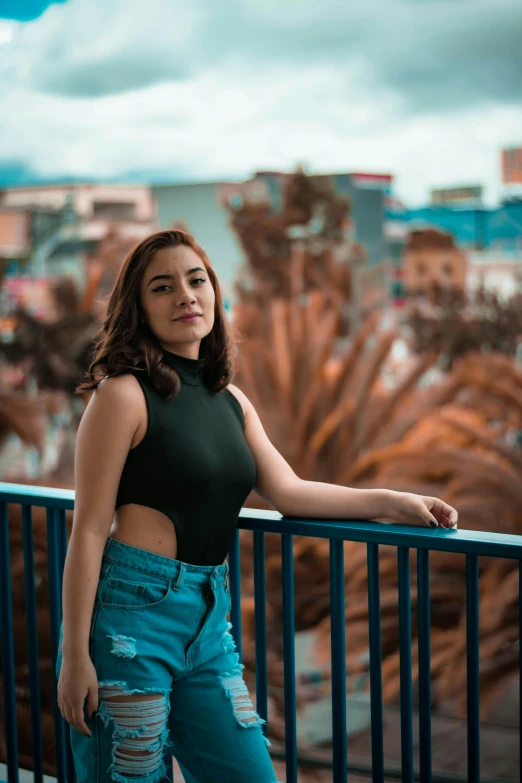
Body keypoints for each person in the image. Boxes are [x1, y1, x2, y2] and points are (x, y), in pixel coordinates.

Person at [56, 229, 458, 783]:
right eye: (162, 286)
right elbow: (89, 531)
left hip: (209, 624)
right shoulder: (122, 395)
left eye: (196, 280)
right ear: (139, 308)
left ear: (215, 295)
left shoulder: (231, 401)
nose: (186, 296)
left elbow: (290, 491)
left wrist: (396, 502)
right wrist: (74, 654)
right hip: (132, 620)